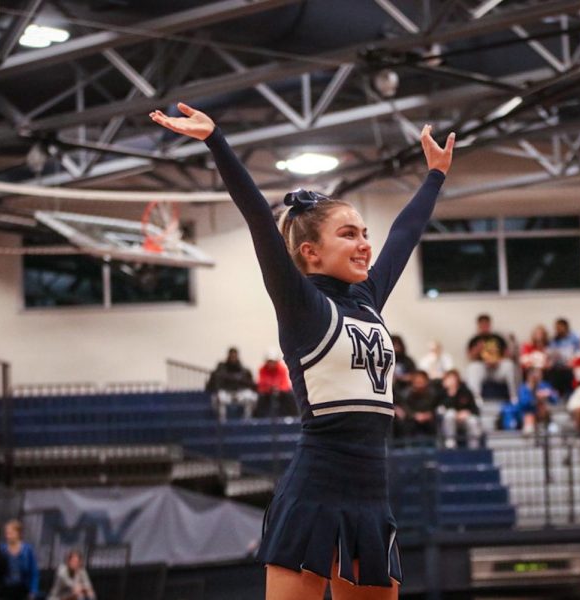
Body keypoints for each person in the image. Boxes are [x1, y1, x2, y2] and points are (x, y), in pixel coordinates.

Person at [151, 102, 454, 599]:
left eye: (363, 234)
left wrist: (434, 178)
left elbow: (403, 235)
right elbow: (258, 221)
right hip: (314, 492)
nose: (364, 245)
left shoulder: (367, 298)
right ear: (311, 252)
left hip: (371, 497)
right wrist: (216, 141)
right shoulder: (302, 305)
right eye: (349, 234)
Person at [465, 315, 517, 403]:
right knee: (472, 367)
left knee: (509, 365)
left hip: (497, 368)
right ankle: (475, 399)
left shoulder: (498, 338)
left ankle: (513, 396)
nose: (484, 326)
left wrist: (497, 360)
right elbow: (470, 357)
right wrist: (478, 349)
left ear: (490, 325)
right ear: (478, 326)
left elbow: (507, 355)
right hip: (483, 370)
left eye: (486, 324)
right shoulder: (474, 340)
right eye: (482, 324)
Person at [205, 347, 258, 419]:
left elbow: (251, 385)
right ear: (228, 356)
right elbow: (212, 384)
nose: (233, 358)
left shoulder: (244, 370)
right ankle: (222, 422)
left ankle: (246, 421)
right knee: (218, 397)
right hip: (226, 393)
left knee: (252, 397)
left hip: (240, 394)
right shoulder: (221, 369)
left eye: (234, 356)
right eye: (231, 356)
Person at [439, 369, 482, 449]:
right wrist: (451, 393)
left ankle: (474, 447)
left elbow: (475, 409)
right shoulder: (442, 393)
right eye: (449, 378)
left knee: (473, 421)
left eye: (453, 378)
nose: (451, 381)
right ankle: (450, 443)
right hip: (449, 420)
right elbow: (441, 408)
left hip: (464, 419)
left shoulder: (466, 391)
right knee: (450, 414)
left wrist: (467, 413)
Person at [0, 520, 38, 600]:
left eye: (11, 533)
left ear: (18, 533)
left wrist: (33, 591)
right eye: (7, 533)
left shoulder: (27, 550)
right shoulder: (2, 549)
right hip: (5, 590)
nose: (8, 536)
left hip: (23, 589)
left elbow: (33, 572)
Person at [253, 350, 297, 418]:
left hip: (280, 391)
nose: (271, 364)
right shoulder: (262, 369)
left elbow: (285, 384)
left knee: (290, 396)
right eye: (269, 362)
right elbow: (261, 384)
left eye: (273, 362)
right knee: (260, 397)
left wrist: (278, 389)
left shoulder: (282, 369)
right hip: (267, 392)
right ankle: (260, 418)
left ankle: (293, 416)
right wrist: (270, 388)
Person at [399, 370, 440, 439]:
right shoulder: (406, 394)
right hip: (412, 419)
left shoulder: (433, 393)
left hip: (429, 419)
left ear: (426, 381)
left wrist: (429, 414)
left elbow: (436, 407)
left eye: (421, 381)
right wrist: (414, 415)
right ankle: (408, 446)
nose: (419, 384)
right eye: (417, 381)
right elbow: (405, 408)